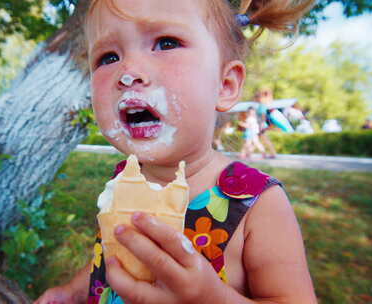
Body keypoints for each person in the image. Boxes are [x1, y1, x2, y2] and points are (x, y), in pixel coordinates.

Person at [36, 0, 316, 303]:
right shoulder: (124, 183)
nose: (128, 72)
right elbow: (108, 256)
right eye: (108, 57)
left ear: (224, 85)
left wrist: (211, 298)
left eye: (165, 43)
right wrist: (72, 292)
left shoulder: (258, 203)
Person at [255, 88, 278, 158]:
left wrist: (261, 125)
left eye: (257, 97)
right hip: (260, 125)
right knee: (256, 140)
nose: (255, 99)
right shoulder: (261, 105)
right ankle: (266, 153)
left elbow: (263, 116)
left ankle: (272, 154)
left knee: (264, 140)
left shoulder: (261, 105)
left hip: (261, 126)